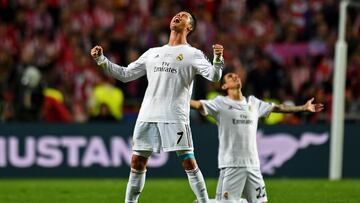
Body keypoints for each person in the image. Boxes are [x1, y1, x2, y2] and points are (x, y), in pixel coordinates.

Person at [90, 11, 224, 203]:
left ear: (190, 27)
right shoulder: (153, 52)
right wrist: (102, 60)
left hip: (175, 116)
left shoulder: (193, 54)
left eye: (184, 15)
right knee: (137, 162)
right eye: (177, 14)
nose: (177, 16)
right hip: (147, 115)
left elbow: (214, 76)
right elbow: (126, 74)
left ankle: (204, 201)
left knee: (188, 161)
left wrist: (218, 59)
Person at [190, 72, 324, 203]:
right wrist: (177, 100)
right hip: (232, 164)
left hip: (253, 165)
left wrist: (304, 108)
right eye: (230, 77)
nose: (235, 76)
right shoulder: (220, 103)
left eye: (236, 75)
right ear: (224, 86)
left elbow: (279, 108)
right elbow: (198, 105)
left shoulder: (253, 103)